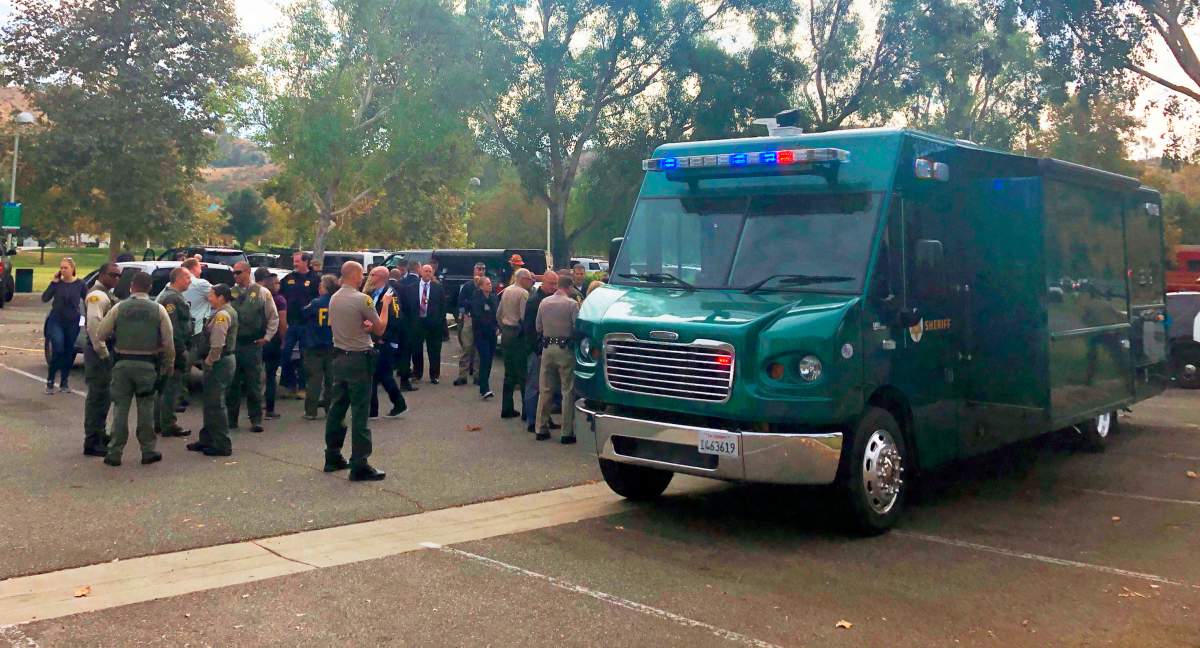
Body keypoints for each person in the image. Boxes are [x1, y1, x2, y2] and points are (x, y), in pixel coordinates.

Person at [92, 271, 175, 466]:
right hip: (147, 365)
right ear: (150, 288)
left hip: (122, 364)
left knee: (120, 409)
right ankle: (148, 450)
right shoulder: (159, 310)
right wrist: (168, 366)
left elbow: (101, 333)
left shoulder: (120, 308)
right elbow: (168, 342)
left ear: (132, 287)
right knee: (145, 409)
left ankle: (114, 452)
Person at [324, 261, 389, 482]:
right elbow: (380, 327)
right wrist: (386, 305)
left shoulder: (335, 298)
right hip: (359, 357)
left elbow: (336, 323)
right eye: (361, 274)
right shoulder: (363, 299)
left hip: (340, 355)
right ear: (355, 275)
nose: (363, 278)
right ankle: (359, 463)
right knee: (360, 412)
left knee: (337, 408)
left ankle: (332, 455)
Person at [225, 262, 279, 433]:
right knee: (232, 384)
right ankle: (231, 419)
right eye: (234, 273)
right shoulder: (229, 293)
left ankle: (256, 419)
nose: (235, 276)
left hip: (252, 344)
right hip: (234, 344)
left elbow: (273, 317)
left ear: (248, 272)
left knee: (253, 383)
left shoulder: (262, 292)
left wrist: (267, 337)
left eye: (238, 272)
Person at [187, 284, 238, 457]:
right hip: (221, 361)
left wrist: (208, 362)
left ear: (221, 297)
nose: (209, 298)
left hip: (220, 362)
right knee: (209, 403)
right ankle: (207, 439)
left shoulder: (223, 315)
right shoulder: (220, 312)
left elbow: (217, 345)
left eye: (212, 295)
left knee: (216, 404)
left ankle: (222, 444)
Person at [82, 262, 121, 456]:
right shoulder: (97, 296)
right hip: (99, 353)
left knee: (104, 396)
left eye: (119, 276)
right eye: (113, 275)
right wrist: (104, 353)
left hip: (105, 351)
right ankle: (92, 440)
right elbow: (94, 327)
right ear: (102, 274)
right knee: (97, 397)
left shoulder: (107, 294)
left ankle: (99, 432)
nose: (116, 279)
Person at [535, 274, 580, 443]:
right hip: (565, 349)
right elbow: (577, 327)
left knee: (545, 388)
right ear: (568, 287)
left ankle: (541, 428)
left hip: (547, 348)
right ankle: (566, 432)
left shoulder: (544, 302)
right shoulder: (571, 304)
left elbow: (538, 326)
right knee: (567, 390)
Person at [155, 268, 193, 438]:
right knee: (171, 387)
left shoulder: (174, 296)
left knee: (164, 387)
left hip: (170, 347)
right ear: (177, 278)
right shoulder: (171, 298)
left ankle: (159, 422)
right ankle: (168, 423)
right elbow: (173, 329)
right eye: (187, 277)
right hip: (173, 349)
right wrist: (180, 350)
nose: (190, 281)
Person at [365, 266, 406, 419]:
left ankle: (397, 403)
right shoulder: (371, 293)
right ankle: (375, 409)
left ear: (381, 277)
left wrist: (384, 335)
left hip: (385, 341)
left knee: (383, 374)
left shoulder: (390, 295)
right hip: (374, 339)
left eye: (373, 274)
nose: (370, 277)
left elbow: (396, 318)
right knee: (377, 375)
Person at [41, 257, 88, 394]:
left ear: (72, 268)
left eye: (65, 268)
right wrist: (53, 283)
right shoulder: (57, 284)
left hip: (73, 321)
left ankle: (64, 382)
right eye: (61, 268)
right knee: (58, 348)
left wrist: (83, 322)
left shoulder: (80, 284)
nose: (63, 270)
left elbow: (87, 303)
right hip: (56, 320)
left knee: (68, 351)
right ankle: (50, 380)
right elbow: (45, 298)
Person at [280, 253, 320, 399]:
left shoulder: (315, 279)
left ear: (306, 262)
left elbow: (319, 299)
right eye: (294, 261)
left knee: (305, 356)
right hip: (291, 324)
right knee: (285, 354)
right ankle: (289, 384)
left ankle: (303, 387)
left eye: (297, 261)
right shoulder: (289, 278)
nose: (295, 264)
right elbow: (280, 295)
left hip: (307, 324)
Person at [522, 271, 558, 433]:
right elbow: (530, 329)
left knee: (547, 387)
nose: (554, 287)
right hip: (536, 350)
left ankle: (545, 417)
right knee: (534, 385)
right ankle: (531, 419)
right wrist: (537, 350)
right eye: (551, 283)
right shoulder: (534, 301)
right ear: (543, 282)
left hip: (547, 349)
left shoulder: (549, 300)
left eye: (556, 284)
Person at [301, 275, 338, 420]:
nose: (319, 288)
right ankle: (331, 409)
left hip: (314, 345)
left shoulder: (316, 302)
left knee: (314, 379)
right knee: (331, 379)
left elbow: (304, 313)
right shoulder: (337, 302)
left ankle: (311, 411)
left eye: (321, 285)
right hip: (333, 344)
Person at [497, 268, 532, 418]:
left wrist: (503, 326)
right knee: (523, 374)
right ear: (522, 279)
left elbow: (499, 313)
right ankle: (526, 410)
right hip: (518, 334)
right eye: (529, 279)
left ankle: (506, 407)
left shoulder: (506, 291)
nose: (531, 282)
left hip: (506, 332)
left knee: (509, 373)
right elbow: (525, 317)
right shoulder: (523, 293)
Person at [257, 268, 288, 419]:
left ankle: (255, 408)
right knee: (270, 376)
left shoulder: (257, 297)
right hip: (273, 340)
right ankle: (270, 408)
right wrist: (283, 339)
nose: (279, 285)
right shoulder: (279, 300)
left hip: (256, 340)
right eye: (276, 283)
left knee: (255, 375)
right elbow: (282, 322)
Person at [409, 264, 446, 384]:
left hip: (433, 325)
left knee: (434, 350)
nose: (428, 273)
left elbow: (442, 307)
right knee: (416, 349)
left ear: (432, 273)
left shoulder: (438, 288)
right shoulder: (413, 287)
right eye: (425, 271)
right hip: (417, 323)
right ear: (421, 272)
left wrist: (440, 322)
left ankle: (434, 375)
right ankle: (417, 373)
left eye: (430, 271)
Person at [454, 263, 486, 386]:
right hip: (470, 319)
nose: (481, 272)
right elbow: (460, 302)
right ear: (474, 271)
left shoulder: (487, 285)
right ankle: (462, 375)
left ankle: (478, 376)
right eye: (479, 269)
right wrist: (463, 314)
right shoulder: (467, 286)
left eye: (483, 269)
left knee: (479, 349)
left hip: (482, 321)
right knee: (467, 348)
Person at [393, 260, 422, 389]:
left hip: (391, 324)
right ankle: (405, 380)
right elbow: (410, 307)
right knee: (406, 351)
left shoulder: (395, 286)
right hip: (406, 323)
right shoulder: (406, 287)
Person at [470, 276, 499, 400]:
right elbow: (478, 316)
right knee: (485, 358)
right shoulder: (476, 299)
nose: (490, 285)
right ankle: (484, 387)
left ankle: (484, 383)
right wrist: (490, 325)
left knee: (489, 360)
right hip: (481, 334)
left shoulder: (493, 297)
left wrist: (497, 326)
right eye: (487, 284)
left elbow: (497, 313)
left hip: (492, 333)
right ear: (481, 286)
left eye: (490, 283)